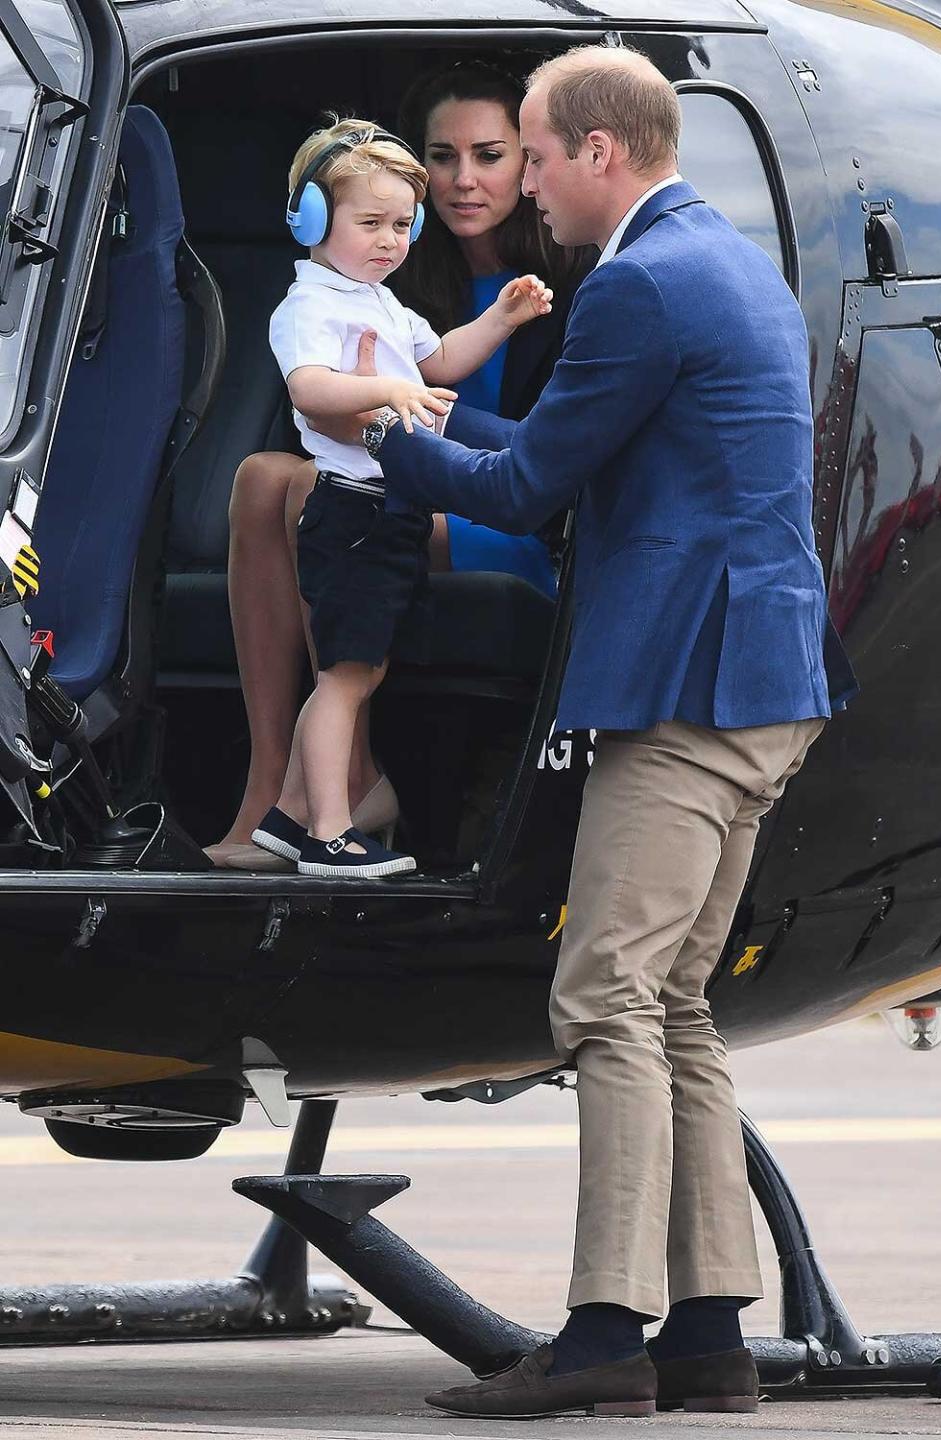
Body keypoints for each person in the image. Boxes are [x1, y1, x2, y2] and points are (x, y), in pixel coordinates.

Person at [358, 45, 857, 1417]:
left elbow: (522, 491)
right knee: (678, 1003)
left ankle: (601, 1339)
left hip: (692, 694)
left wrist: (392, 430)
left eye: (526, 151)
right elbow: (583, 452)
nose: (515, 181)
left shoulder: (637, 282)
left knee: (607, 998)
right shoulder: (719, 262)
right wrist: (448, 415)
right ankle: (706, 1339)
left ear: (595, 154)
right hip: (762, 684)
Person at [207, 63, 586, 869]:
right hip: (404, 488)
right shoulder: (385, 277)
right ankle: (273, 783)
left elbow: (543, 449)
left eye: (489, 155)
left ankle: (332, 785)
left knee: (309, 486)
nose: (462, 180)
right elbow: (326, 397)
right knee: (260, 477)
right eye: (442, 157)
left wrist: (430, 414)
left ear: (531, 161)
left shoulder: (565, 279)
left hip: (501, 511)